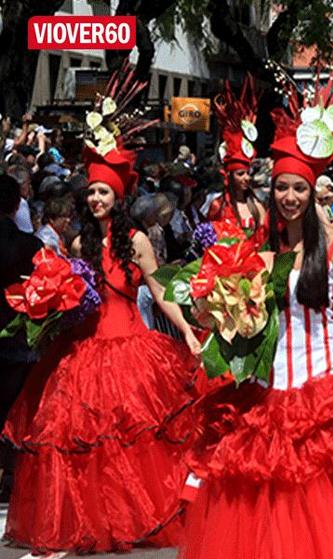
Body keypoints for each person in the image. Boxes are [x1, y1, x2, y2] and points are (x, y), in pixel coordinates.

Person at [4, 67, 202, 551]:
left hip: (130, 351)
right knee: (85, 445)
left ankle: (132, 517)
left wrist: (191, 332)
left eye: (103, 192)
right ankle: (94, 519)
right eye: (91, 191)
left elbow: (159, 292)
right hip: (83, 351)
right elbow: (68, 294)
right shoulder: (76, 239)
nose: (95, 199)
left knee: (131, 443)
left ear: (119, 195)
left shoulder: (135, 240)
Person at [179, 69, 333, 558]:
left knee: (318, 507)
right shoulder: (253, 247)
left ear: (312, 194)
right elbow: (233, 316)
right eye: (282, 188)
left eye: (299, 190)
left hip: (320, 389)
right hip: (263, 392)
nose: (289, 197)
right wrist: (206, 311)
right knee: (258, 510)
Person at [0, 175, 43, 497]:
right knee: (16, 407)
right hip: (16, 335)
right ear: (17, 205)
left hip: (15, 338)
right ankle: (12, 472)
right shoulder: (30, 246)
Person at [207, 75, 267, 242]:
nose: (246, 178)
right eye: (240, 174)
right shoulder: (218, 206)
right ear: (228, 176)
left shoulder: (257, 207)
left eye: (247, 173)